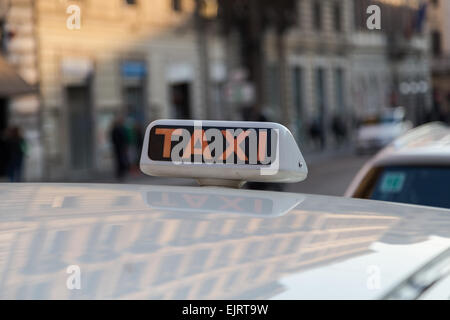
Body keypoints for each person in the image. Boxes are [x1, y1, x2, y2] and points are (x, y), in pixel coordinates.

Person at [110, 116, 129, 181]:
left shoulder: (121, 128)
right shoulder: (117, 129)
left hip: (120, 146)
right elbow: (114, 138)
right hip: (118, 147)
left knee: (121, 159)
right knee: (119, 159)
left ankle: (122, 172)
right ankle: (120, 172)